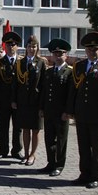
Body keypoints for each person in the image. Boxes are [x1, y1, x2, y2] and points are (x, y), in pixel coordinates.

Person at [65, 31, 98, 189]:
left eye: (94, 49)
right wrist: (71, 110)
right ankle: (84, 174)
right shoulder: (79, 66)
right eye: (88, 49)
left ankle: (95, 176)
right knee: (83, 146)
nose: (91, 52)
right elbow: (73, 90)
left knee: (97, 147)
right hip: (82, 114)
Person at [39, 38, 72, 177]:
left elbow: (71, 94)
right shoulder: (48, 71)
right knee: (49, 138)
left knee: (61, 139)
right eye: (55, 53)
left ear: (66, 55)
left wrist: (68, 111)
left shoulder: (70, 72)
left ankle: (59, 164)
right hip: (49, 110)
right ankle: (51, 162)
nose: (58, 56)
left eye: (61, 53)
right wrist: (41, 108)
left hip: (61, 112)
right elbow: (44, 92)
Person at [12, 35, 46, 166]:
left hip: (36, 102)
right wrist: (14, 100)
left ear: (37, 48)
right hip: (23, 101)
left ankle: (32, 154)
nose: (32, 49)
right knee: (25, 129)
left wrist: (42, 104)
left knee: (35, 130)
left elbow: (43, 85)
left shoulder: (41, 62)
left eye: (34, 46)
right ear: (26, 48)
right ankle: (25, 154)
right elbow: (15, 83)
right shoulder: (20, 62)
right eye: (29, 46)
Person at [0, 31, 23, 161]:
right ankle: (3, 150)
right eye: (9, 45)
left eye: (14, 44)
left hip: (18, 100)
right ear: (5, 46)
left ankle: (16, 151)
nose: (11, 47)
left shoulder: (22, 62)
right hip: (3, 100)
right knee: (3, 127)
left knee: (18, 127)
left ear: (17, 46)